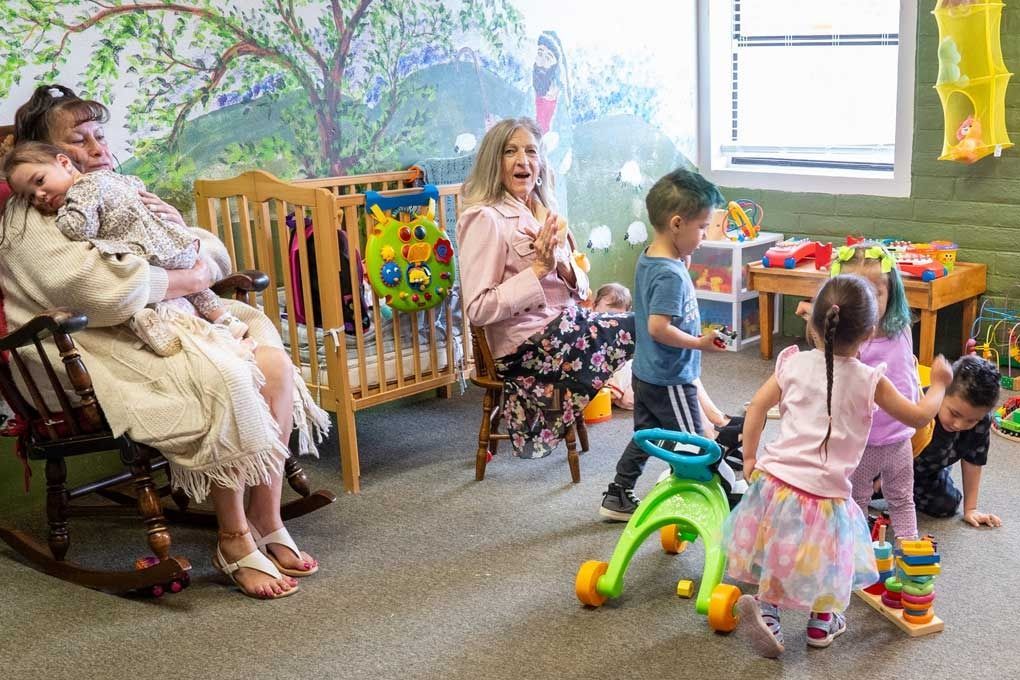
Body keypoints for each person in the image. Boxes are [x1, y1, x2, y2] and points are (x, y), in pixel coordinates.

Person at [2, 84, 329, 599]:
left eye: (99, 134)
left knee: (274, 364)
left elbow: (206, 252)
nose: (97, 147)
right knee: (227, 375)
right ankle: (233, 538)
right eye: (79, 140)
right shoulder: (35, 218)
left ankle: (267, 519)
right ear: (50, 155)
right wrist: (189, 276)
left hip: (170, 316)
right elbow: (97, 290)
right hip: (101, 344)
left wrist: (184, 235)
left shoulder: (115, 188)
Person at [728, 274, 952, 658]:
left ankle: (768, 611)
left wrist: (749, 457)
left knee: (778, 547)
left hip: (775, 483)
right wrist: (941, 384)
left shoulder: (792, 364)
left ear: (813, 324)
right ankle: (821, 622)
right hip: (826, 496)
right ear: (869, 334)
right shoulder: (870, 380)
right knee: (828, 561)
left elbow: (757, 408)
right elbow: (918, 417)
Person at [457, 117, 634, 460]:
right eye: (510, 151)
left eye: (531, 151)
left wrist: (560, 264)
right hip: (527, 347)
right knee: (649, 328)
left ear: (540, 164)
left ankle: (690, 424)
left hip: (565, 328)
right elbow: (478, 308)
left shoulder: (546, 214)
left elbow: (582, 288)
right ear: (495, 162)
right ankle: (685, 433)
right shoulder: (484, 218)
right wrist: (538, 269)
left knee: (652, 329)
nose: (522, 160)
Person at [3, 141, 248, 356]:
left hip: (148, 251)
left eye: (40, 181)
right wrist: (184, 239)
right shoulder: (111, 180)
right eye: (30, 197)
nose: (39, 196)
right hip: (175, 246)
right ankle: (226, 322)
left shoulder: (81, 189)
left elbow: (80, 228)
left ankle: (144, 319)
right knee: (193, 290)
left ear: (64, 162)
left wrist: (63, 215)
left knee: (137, 286)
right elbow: (101, 289)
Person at [599, 169, 727, 521]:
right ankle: (693, 498)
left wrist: (683, 261)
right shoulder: (669, 274)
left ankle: (618, 493)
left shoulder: (652, 257)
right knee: (695, 443)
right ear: (676, 224)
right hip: (670, 377)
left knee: (646, 435)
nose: (704, 236)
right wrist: (699, 343)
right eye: (702, 227)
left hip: (647, 372)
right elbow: (658, 327)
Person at [825, 245, 922, 541]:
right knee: (857, 498)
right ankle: (854, 552)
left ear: (892, 293)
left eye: (876, 294)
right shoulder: (849, 344)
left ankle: (910, 548)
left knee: (903, 497)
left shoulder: (901, 328)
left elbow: (908, 368)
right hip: (863, 442)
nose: (867, 304)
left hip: (900, 436)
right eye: (858, 295)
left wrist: (917, 391)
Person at [913, 355, 1002, 527]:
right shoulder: (920, 406)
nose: (959, 425)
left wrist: (971, 509)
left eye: (971, 420)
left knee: (946, 505)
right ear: (942, 392)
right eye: (955, 414)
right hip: (886, 469)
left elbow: (974, 461)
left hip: (926, 471)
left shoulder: (981, 421)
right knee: (861, 492)